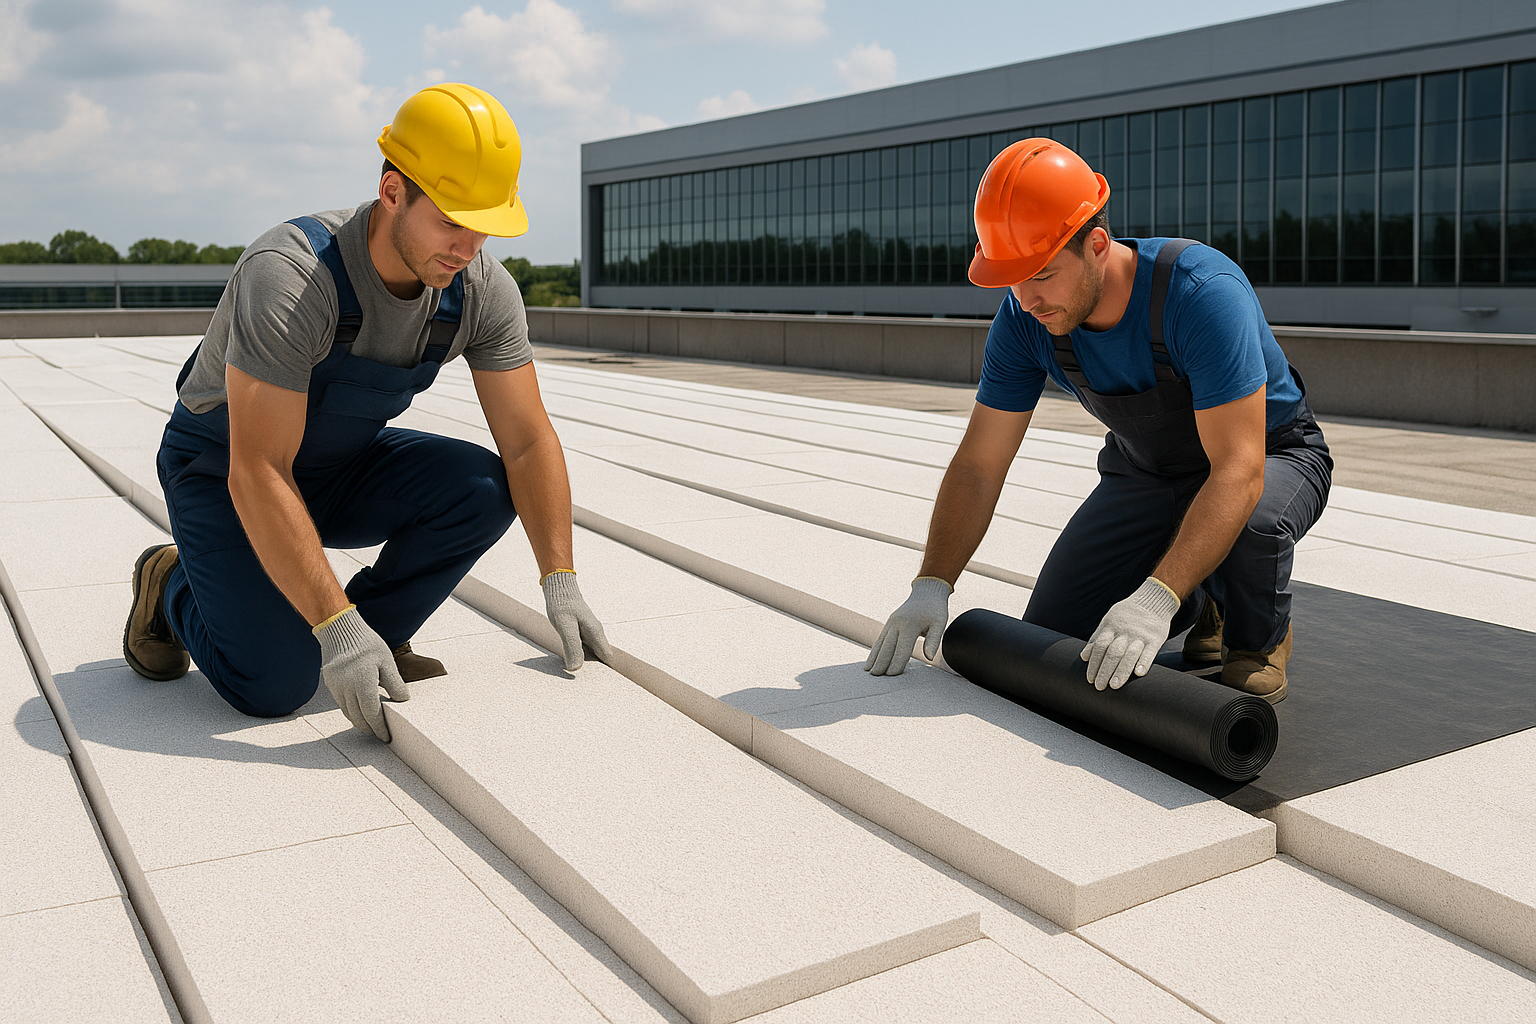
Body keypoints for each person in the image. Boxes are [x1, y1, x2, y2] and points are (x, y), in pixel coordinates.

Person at [123, 83, 611, 741]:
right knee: (276, 685)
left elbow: (527, 444)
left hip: (335, 470)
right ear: (392, 193)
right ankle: (173, 578)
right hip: (227, 476)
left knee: (483, 487)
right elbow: (259, 469)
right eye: (451, 221)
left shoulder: (477, 291)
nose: (467, 248)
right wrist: (334, 627)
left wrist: (560, 578)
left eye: (483, 228)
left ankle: (374, 635)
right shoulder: (294, 276)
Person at [865, 138, 1332, 703]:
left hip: (1273, 456)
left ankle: (1256, 634)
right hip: (1148, 472)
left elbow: (1238, 468)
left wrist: (1156, 597)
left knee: (1251, 525)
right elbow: (980, 464)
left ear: (1097, 245)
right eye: (1013, 277)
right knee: (1050, 637)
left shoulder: (1201, 295)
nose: (1027, 298)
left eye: (1040, 273)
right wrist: (932, 583)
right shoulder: (1026, 319)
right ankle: (1206, 591)